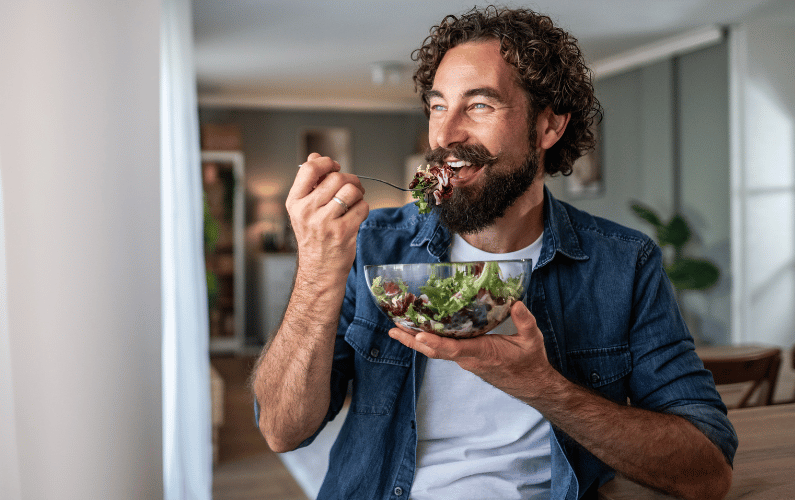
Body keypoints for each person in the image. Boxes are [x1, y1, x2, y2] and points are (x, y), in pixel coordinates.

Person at [250, 6, 737, 500]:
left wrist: (543, 387)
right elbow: (282, 430)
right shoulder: (372, 244)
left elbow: (708, 471)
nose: (445, 134)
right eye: (438, 106)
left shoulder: (624, 264)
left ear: (549, 127)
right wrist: (316, 272)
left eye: (479, 105)